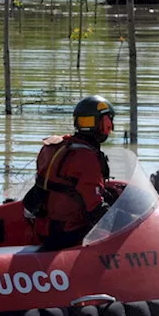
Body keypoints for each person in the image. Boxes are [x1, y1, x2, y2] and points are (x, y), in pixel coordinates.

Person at [24, 95, 115, 250]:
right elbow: (94, 207)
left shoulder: (54, 146)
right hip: (69, 233)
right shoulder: (86, 158)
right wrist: (120, 224)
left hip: (44, 228)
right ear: (105, 124)